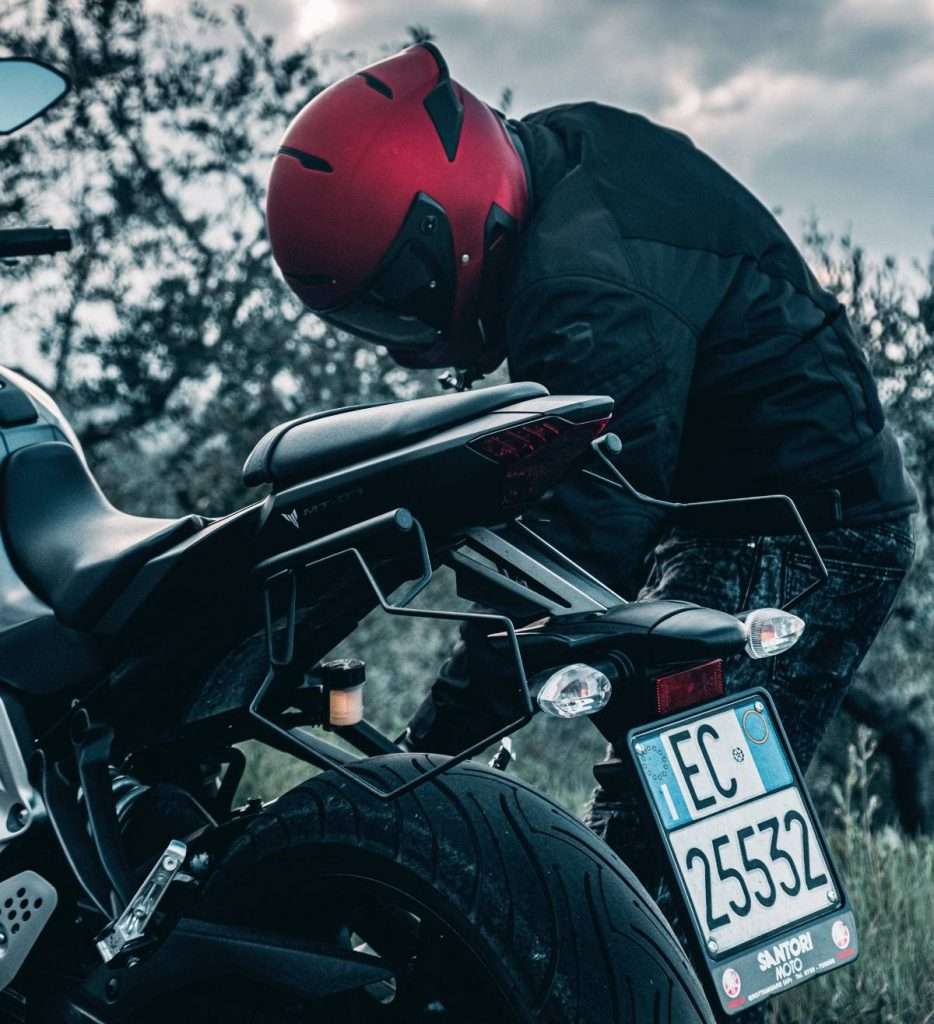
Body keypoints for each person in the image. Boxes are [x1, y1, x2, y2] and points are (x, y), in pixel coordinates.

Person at [265, 42, 917, 1019]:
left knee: (645, 864)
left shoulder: (586, 288)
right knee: (659, 838)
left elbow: (573, 543)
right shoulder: (553, 159)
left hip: (799, 533)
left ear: (444, 241)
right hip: (753, 505)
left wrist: (421, 766)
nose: (403, 334)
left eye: (392, 305)